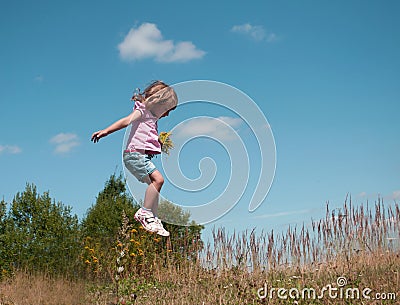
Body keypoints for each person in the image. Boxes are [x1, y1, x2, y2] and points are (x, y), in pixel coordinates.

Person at [91, 81, 178, 237]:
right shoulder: (143, 111)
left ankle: (153, 218)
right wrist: (106, 131)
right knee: (159, 180)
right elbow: (126, 121)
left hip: (139, 155)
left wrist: (158, 143)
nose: (167, 114)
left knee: (155, 188)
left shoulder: (151, 118)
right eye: (167, 110)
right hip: (134, 155)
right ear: (158, 103)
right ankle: (144, 213)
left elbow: (145, 136)